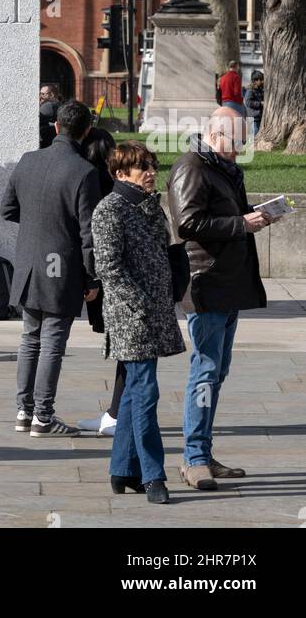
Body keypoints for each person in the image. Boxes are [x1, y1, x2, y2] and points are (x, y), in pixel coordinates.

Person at [168, 106, 272, 491]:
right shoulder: (192, 167)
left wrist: (255, 217)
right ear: (214, 135)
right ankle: (193, 458)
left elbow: (228, 218)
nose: (239, 149)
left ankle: (203, 452)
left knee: (216, 373)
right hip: (206, 284)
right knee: (205, 371)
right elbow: (186, 223)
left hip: (228, 284)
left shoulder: (224, 168)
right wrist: (240, 224)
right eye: (235, 142)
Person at [0, 98, 101, 437]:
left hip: (29, 260)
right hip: (62, 264)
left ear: (57, 126)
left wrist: (37, 223)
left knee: (30, 337)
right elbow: (88, 231)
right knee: (52, 341)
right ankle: (43, 416)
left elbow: (7, 209)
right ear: (86, 132)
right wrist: (92, 275)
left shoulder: (28, 160)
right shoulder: (84, 172)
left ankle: (23, 412)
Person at [92, 141, 186, 505]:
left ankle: (121, 470)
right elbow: (109, 268)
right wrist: (140, 305)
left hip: (153, 312)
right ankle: (153, 476)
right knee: (146, 394)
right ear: (120, 174)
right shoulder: (110, 208)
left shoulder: (149, 206)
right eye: (140, 167)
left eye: (150, 165)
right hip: (131, 317)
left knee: (134, 393)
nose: (149, 172)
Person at [76, 126, 124, 437]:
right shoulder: (113, 188)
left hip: (107, 280)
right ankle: (116, 412)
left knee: (124, 348)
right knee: (123, 348)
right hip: (110, 280)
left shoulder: (90, 187)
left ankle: (117, 415)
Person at [39, 84, 61, 149]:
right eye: (40, 93)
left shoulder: (48, 106)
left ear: (51, 95)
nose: (40, 96)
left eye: (43, 94)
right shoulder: (60, 105)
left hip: (46, 146)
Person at [244, 71, 264, 136]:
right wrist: (260, 103)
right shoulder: (250, 90)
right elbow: (248, 102)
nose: (261, 81)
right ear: (255, 81)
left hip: (258, 117)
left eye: (262, 79)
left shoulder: (260, 89)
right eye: (260, 80)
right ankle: (250, 146)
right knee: (253, 135)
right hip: (252, 117)